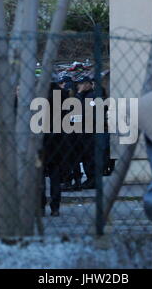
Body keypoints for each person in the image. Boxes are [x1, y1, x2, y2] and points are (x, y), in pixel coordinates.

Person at [41, 78, 70, 216]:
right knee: (55, 175)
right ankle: (55, 207)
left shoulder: (38, 93)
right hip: (58, 139)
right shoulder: (63, 94)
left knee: (39, 175)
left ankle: (40, 206)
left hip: (41, 138)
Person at [74, 75, 98, 190]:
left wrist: (78, 94)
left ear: (88, 84)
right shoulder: (84, 96)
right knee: (86, 156)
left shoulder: (91, 96)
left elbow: (82, 110)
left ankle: (92, 179)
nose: (79, 86)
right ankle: (90, 178)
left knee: (90, 156)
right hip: (84, 130)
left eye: (82, 84)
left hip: (89, 131)